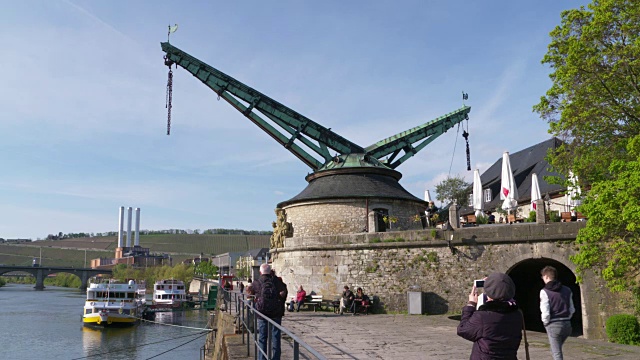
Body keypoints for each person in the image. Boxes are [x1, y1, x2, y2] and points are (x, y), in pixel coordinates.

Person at [457, 272, 523, 359]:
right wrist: (495, 282)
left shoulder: (482, 317)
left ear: (489, 294)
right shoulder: (517, 314)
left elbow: (463, 329)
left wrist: (471, 304)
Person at [248, 264, 288, 360]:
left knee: (262, 337)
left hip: (262, 314)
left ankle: (262, 358)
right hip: (276, 313)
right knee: (276, 337)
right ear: (270, 272)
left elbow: (249, 294)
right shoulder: (277, 281)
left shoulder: (256, 282)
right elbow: (284, 292)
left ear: (260, 272)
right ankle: (276, 358)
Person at [540, 266, 575, 360]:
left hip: (553, 324)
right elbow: (572, 309)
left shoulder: (544, 292)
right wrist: (567, 318)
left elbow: (545, 311)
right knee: (555, 349)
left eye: (542, 277)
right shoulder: (567, 290)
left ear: (546, 276)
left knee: (557, 353)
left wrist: (545, 322)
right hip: (567, 325)